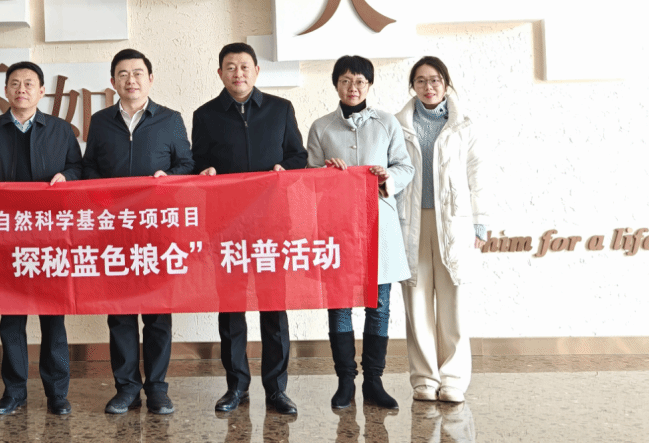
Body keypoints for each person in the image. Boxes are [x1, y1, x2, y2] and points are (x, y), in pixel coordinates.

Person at [0, 61, 83, 416]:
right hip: (5, 238)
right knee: (12, 319)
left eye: (29, 83)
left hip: (51, 237)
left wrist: (67, 177)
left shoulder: (61, 130)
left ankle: (57, 393)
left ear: (42, 91)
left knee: (53, 319)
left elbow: (79, 168)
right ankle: (14, 392)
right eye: (14, 83)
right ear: (6, 91)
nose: (22, 89)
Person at [191, 42, 307, 416]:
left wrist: (284, 171)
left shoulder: (280, 109)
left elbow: (298, 156)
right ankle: (236, 386)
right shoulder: (205, 115)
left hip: (272, 225)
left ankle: (277, 389)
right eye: (230, 67)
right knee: (231, 311)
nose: (237, 73)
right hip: (226, 228)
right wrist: (204, 172)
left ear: (257, 71)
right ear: (220, 73)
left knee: (273, 310)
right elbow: (196, 164)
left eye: (244, 66)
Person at [81, 48, 194, 415]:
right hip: (115, 232)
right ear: (113, 82)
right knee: (120, 314)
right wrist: (107, 192)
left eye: (138, 73)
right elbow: (89, 168)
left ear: (150, 78)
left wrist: (167, 177)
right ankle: (127, 388)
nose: (131, 80)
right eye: (123, 74)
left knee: (158, 313)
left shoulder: (170, 119)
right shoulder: (101, 121)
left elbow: (186, 164)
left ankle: (157, 388)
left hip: (157, 231)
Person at [305, 55, 414, 410]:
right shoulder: (321, 127)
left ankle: (374, 381)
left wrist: (387, 177)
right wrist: (327, 172)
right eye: (346, 81)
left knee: (378, 306)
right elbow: (308, 178)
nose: (353, 88)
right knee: (339, 306)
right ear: (336, 84)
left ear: (369, 85)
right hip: (337, 228)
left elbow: (405, 167)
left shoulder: (387, 123)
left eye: (360, 82)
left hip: (378, 225)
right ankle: (345, 382)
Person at [395, 56, 487, 404]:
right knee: (416, 300)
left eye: (434, 80)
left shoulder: (464, 126)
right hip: (412, 221)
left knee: (454, 302)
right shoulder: (398, 125)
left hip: (453, 221)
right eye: (420, 81)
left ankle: (453, 379)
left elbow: (478, 175)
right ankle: (424, 379)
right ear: (413, 86)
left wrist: (480, 221)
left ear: (446, 84)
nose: (428, 86)